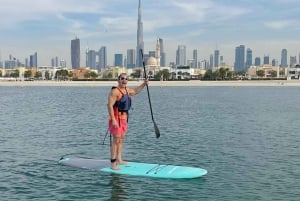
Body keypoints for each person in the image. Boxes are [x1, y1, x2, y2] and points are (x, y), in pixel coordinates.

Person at [107, 73, 148, 170]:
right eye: (122, 78)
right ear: (118, 80)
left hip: (124, 118)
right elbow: (109, 106)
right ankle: (113, 162)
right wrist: (113, 120)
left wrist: (144, 84)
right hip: (116, 118)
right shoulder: (114, 91)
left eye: (126, 79)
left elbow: (135, 91)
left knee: (121, 139)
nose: (124, 80)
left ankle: (119, 159)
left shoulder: (127, 90)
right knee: (116, 140)